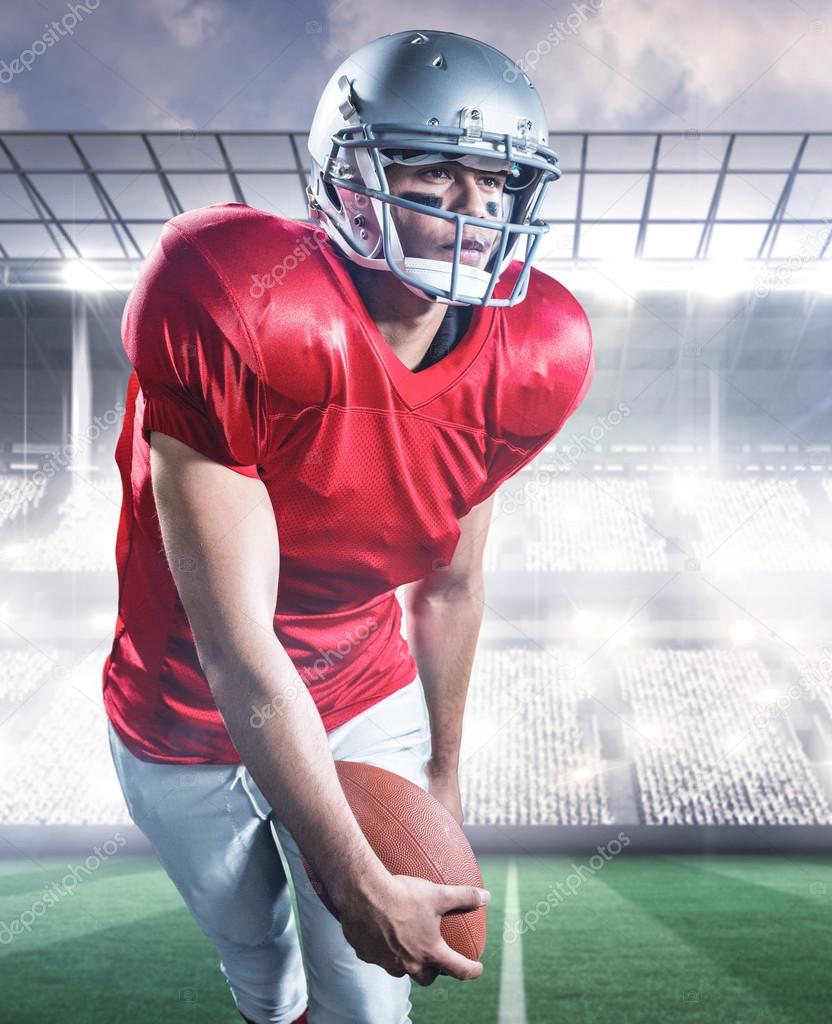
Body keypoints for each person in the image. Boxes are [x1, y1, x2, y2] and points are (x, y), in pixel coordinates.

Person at [101, 28, 593, 1024]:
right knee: (262, 974)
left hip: (363, 695)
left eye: (499, 179)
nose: (475, 208)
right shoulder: (239, 297)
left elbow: (450, 585)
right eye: (435, 169)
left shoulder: (534, 349)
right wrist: (350, 874)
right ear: (348, 178)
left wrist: (442, 775)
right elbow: (237, 644)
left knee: (369, 1008)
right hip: (187, 711)